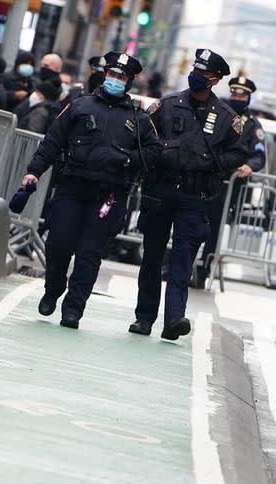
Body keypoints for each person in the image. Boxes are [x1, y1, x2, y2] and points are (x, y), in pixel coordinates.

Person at [21, 52, 161, 329]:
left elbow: (154, 151)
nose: (114, 80)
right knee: (58, 243)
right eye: (111, 74)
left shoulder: (138, 118)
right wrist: (34, 171)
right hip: (72, 187)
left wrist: (128, 159)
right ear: (104, 75)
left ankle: (73, 309)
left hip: (109, 195)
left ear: (129, 82)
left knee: (90, 252)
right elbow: (53, 141)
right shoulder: (79, 105)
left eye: (121, 77)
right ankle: (53, 288)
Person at [130, 49, 248, 340]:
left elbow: (238, 153)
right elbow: (142, 136)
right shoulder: (166, 105)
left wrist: (213, 164)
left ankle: (174, 320)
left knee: (183, 261)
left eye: (204, 73)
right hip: (162, 189)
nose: (197, 75)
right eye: (195, 69)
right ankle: (144, 318)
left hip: (195, 196)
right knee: (152, 257)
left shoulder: (227, 118)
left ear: (216, 79)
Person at [192, 75, 267, 287]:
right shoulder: (219, 114)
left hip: (227, 186)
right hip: (204, 178)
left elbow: (258, 154)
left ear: (248, 98)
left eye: (242, 95)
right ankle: (178, 266)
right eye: (234, 93)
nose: (237, 97)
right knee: (190, 223)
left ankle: (203, 271)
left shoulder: (252, 126)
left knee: (213, 229)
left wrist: (249, 166)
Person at [14, 53, 63, 120]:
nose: (42, 67)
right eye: (41, 65)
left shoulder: (52, 86)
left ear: (57, 68)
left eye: (46, 65)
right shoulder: (36, 79)